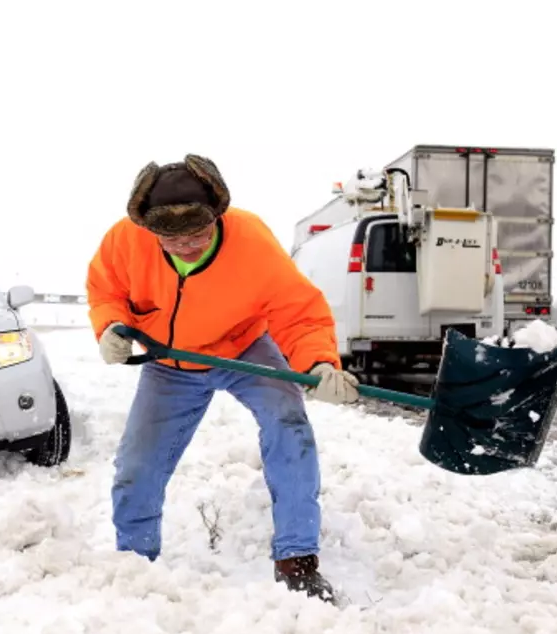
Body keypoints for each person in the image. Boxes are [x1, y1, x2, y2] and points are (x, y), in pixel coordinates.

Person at [85, 154, 360, 603]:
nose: (188, 246)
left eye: (199, 233)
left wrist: (319, 364)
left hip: (243, 348)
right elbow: (106, 290)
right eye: (172, 238)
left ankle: (298, 561)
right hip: (169, 367)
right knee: (137, 466)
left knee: (289, 426)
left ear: (218, 216)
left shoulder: (250, 240)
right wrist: (111, 327)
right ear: (149, 229)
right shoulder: (124, 241)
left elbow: (297, 311)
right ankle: (134, 564)